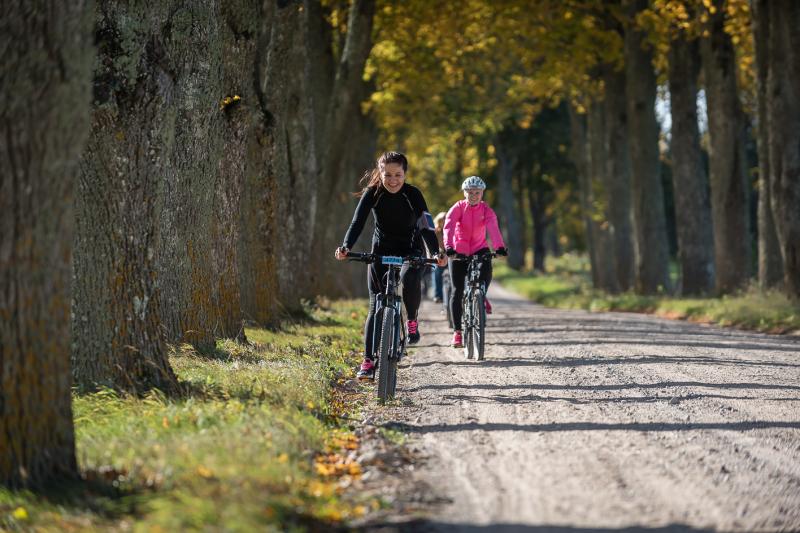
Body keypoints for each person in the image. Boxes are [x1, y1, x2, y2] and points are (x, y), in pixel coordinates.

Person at [335, 151, 447, 379]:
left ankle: (412, 319)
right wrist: (346, 246)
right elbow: (357, 222)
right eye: (387, 175)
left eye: (398, 175)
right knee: (375, 304)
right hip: (381, 249)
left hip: (411, 248)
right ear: (380, 173)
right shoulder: (373, 193)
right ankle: (368, 361)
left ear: (405, 174)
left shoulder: (413, 194)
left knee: (411, 280)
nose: (393, 180)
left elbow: (426, 225)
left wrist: (436, 252)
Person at [443, 175, 507, 348]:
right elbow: (448, 227)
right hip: (458, 250)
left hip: (479, 248)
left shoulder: (486, 210)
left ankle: (481, 295)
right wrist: (449, 248)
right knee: (457, 291)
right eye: (470, 192)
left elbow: (493, 228)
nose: (473, 195)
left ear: (482, 193)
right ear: (464, 193)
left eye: (477, 192)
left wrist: (499, 247)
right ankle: (457, 332)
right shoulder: (457, 208)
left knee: (486, 271)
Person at [431, 212, 447, 303]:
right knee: (437, 271)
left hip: (450, 255)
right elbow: (434, 245)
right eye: (443, 219)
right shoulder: (436, 231)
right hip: (440, 255)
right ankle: (438, 295)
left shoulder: (453, 229)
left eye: (446, 218)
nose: (445, 220)